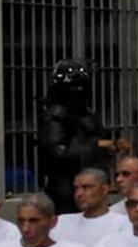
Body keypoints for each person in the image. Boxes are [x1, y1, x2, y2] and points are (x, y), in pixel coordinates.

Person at [36, 60, 124, 212]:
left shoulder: (85, 112)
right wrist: (98, 145)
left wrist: (111, 144)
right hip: (67, 190)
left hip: (92, 183)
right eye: (74, 87)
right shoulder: (56, 115)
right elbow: (57, 152)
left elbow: (96, 137)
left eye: (81, 86)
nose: (78, 91)